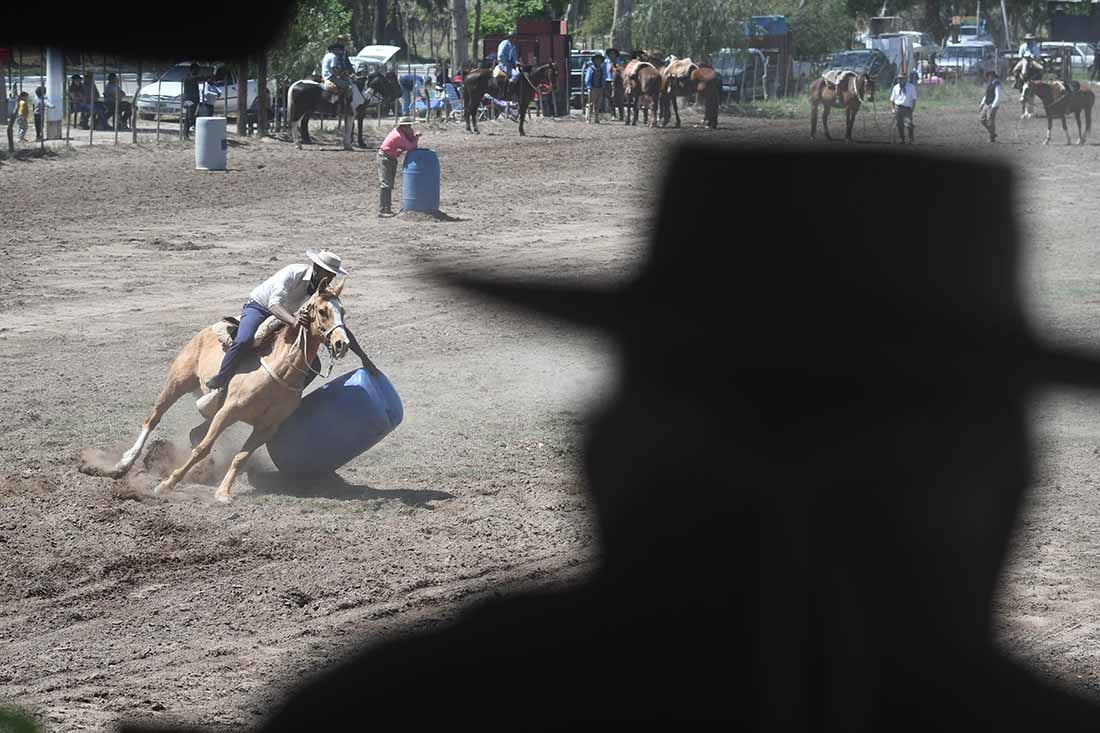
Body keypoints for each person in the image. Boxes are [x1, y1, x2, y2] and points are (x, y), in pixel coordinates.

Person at [198, 145, 1100, 731]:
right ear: (1014, 472)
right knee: (241, 352)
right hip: (261, 317)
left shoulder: (397, 706)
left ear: (608, 448)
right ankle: (214, 400)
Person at [195, 250, 379, 418]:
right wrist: (293, 321)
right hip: (261, 306)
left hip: (290, 316)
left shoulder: (323, 293)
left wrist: (364, 358)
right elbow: (273, 304)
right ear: (316, 268)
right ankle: (219, 384)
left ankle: (284, 404)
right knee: (244, 339)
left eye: (332, 275)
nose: (329, 278)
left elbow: (337, 325)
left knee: (313, 364)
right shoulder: (293, 273)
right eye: (327, 273)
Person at [376, 116, 420, 217]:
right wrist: (416, 138)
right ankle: (383, 210)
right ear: (403, 127)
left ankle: (387, 208)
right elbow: (411, 147)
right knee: (386, 184)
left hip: (390, 158)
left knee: (389, 184)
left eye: (410, 125)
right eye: (408, 126)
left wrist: (413, 137)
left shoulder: (401, 133)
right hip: (385, 158)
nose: (410, 127)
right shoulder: (398, 136)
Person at [321, 36, 354, 104]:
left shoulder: (327, 55)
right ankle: (343, 104)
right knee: (348, 85)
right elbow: (334, 69)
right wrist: (340, 75)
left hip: (325, 76)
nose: (339, 51)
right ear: (335, 49)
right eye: (338, 50)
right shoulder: (334, 56)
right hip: (331, 77)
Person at [890, 72, 916, 143]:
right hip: (898, 108)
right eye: (899, 79)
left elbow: (914, 99)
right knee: (899, 125)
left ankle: (911, 139)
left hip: (907, 109)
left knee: (909, 124)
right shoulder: (895, 87)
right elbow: (892, 99)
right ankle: (902, 139)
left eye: (902, 78)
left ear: (906, 79)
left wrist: (912, 109)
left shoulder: (911, 87)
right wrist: (893, 108)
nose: (900, 80)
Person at [979, 69, 1002, 143]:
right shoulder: (990, 84)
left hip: (992, 104)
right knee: (982, 119)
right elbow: (986, 95)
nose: (988, 77)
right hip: (986, 103)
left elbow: (998, 96)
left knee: (990, 121)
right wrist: (982, 103)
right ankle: (992, 133)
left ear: (993, 76)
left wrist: (993, 106)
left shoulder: (997, 84)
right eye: (988, 76)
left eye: (989, 75)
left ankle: (992, 137)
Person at [182, 63, 202, 139]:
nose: (198, 71)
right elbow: (198, 78)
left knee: (188, 117)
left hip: (190, 99)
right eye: (196, 70)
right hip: (189, 100)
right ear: (192, 69)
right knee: (190, 116)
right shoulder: (190, 77)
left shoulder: (191, 77)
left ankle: (185, 134)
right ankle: (190, 129)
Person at [583, 53, 605, 123]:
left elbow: (603, 78)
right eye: (597, 59)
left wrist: (603, 86)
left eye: (599, 59)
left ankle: (596, 118)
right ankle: (588, 118)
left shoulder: (601, 69)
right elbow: (587, 79)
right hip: (592, 88)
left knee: (598, 105)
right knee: (590, 104)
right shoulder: (591, 69)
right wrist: (588, 87)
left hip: (600, 88)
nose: (598, 61)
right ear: (594, 61)